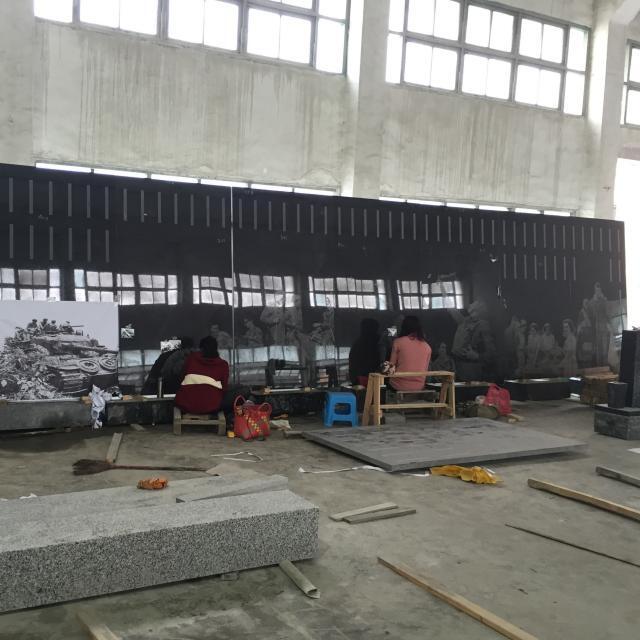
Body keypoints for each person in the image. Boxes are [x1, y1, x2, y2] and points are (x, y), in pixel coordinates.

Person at [175, 336, 229, 415]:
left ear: (201, 348)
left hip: (186, 404)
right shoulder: (223, 365)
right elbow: (224, 388)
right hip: (211, 406)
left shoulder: (191, 359)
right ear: (216, 349)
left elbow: (181, 378)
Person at [388, 316, 432, 391]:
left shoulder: (397, 341)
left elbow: (391, 366)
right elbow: (425, 369)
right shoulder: (427, 347)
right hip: (419, 387)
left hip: (398, 385)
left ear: (403, 326)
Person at [348, 318, 381, 386]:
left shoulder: (357, 343)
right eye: (375, 329)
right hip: (366, 378)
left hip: (358, 379)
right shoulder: (377, 341)